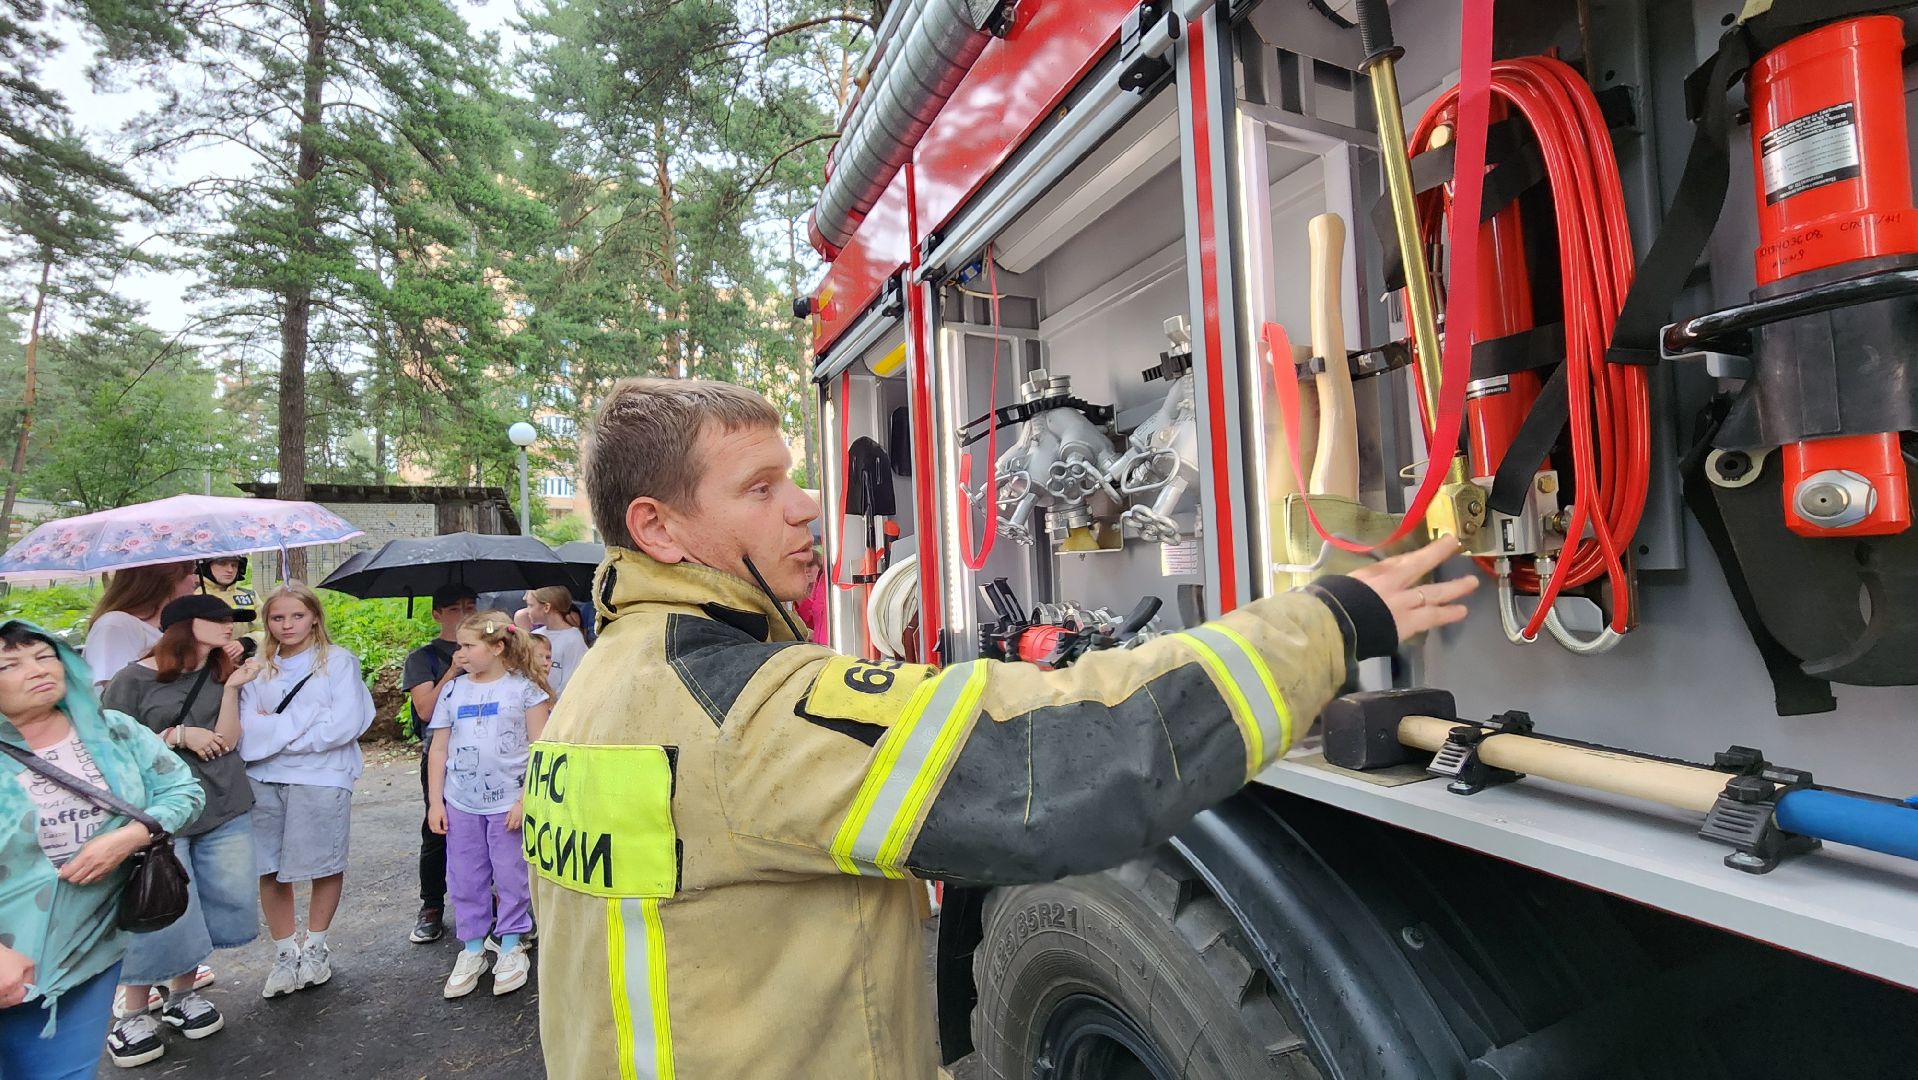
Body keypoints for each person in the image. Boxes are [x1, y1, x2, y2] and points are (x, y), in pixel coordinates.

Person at [529, 378, 1476, 1080]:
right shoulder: (740, 708)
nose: (808, 504)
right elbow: (1054, 768)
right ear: (657, 528)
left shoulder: (594, 693)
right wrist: (1327, 623)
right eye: (761, 488)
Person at [0, 621, 205, 1080]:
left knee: (64, 1073)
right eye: (9, 664)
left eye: (44, 654)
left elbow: (182, 792)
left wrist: (131, 835)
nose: (36, 670)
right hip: (11, 945)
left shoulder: (113, 731)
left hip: (90, 945)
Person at [98, 597, 262, 1067]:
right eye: (219, 620)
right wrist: (176, 736)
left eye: (232, 620)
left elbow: (228, 741)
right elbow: (106, 746)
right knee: (159, 904)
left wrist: (230, 689)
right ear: (182, 627)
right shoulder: (132, 679)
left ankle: (181, 997)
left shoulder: (218, 671)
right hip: (161, 816)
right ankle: (132, 1013)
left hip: (224, 804)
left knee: (209, 905)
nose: (230, 627)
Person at [236, 583, 375, 999]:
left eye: (296, 616)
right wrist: (304, 721)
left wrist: (277, 734)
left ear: (314, 616)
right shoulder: (258, 667)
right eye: (278, 618)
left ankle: (315, 945)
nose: (287, 625)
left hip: (322, 774)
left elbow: (345, 724)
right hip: (264, 777)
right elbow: (247, 730)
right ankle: (284, 951)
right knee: (270, 866)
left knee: (322, 862)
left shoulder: (338, 662)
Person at [424, 612, 551, 999]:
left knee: (511, 874)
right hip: (462, 802)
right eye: (459, 645)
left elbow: (540, 748)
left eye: (467, 646)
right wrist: (436, 802)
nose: (459, 653)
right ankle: (474, 947)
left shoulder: (525, 690)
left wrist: (525, 798)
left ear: (497, 647)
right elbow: (439, 748)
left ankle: (511, 944)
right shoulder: (453, 691)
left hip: (508, 804)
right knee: (465, 875)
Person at [399, 584, 477, 945]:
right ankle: (431, 905)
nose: (465, 613)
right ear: (437, 614)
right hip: (441, 751)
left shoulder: (490, 650)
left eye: (471, 605)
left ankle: (488, 901)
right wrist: (452, 670)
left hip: (485, 748)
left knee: (487, 828)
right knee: (438, 828)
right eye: (456, 608)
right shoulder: (423, 657)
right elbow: (426, 710)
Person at [83, 563, 200, 690]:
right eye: (190, 573)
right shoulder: (116, 625)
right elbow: (119, 692)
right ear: (166, 579)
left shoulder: (171, 625)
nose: (196, 580)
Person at [523, 586, 587, 699]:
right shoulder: (535, 635)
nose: (527, 610)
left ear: (546, 607)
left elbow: (572, 680)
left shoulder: (573, 638)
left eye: (530, 605)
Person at [793, 544, 829, 645]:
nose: (807, 571)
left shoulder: (822, 586)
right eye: (804, 566)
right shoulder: (798, 589)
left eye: (810, 566)